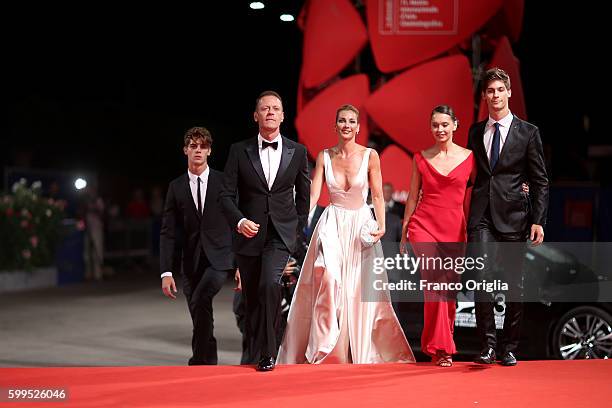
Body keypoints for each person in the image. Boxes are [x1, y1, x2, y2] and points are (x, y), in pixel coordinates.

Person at [277, 104, 415, 364]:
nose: (347, 125)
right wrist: (297, 225)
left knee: (356, 291)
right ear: (336, 125)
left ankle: (352, 351)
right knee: (328, 279)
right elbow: (313, 195)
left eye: (352, 121)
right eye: (342, 121)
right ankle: (324, 348)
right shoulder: (324, 156)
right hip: (332, 224)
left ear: (358, 127)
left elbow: (376, 193)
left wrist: (381, 225)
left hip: (360, 224)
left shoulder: (370, 155)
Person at [220, 91, 310, 371]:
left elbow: (304, 197)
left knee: (270, 284)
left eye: (275, 108)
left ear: (283, 116)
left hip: (279, 236)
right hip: (248, 235)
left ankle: (268, 353)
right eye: (264, 108)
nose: (270, 112)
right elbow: (225, 195)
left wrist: (294, 230)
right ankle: (257, 348)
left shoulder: (297, 152)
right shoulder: (239, 150)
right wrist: (239, 221)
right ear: (255, 115)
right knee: (253, 298)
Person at [468, 67, 548, 366]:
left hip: (514, 215)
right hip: (482, 216)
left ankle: (508, 347)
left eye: (500, 90)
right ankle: (488, 345)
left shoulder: (528, 132)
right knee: (482, 279)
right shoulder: (475, 132)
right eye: (490, 91)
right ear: (485, 96)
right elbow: (472, 174)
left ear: (509, 93)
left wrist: (538, 219)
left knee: (514, 285)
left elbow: (539, 179)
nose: (495, 95)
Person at [400, 105, 475, 367]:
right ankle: (443, 348)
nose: (440, 129)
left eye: (445, 124)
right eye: (435, 125)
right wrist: (404, 231)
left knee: (447, 289)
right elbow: (412, 196)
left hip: (455, 228)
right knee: (435, 281)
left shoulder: (470, 158)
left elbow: (483, 191)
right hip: (424, 226)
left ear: (455, 125)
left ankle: (438, 341)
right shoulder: (420, 157)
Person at [160, 127, 235, 365]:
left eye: (203, 146)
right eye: (193, 146)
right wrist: (166, 272)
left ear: (209, 150)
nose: (198, 150)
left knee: (202, 300)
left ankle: (198, 362)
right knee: (199, 313)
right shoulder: (176, 186)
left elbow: (238, 223)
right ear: (185, 150)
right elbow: (168, 231)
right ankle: (209, 363)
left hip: (219, 260)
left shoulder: (224, 182)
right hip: (190, 262)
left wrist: (242, 264)